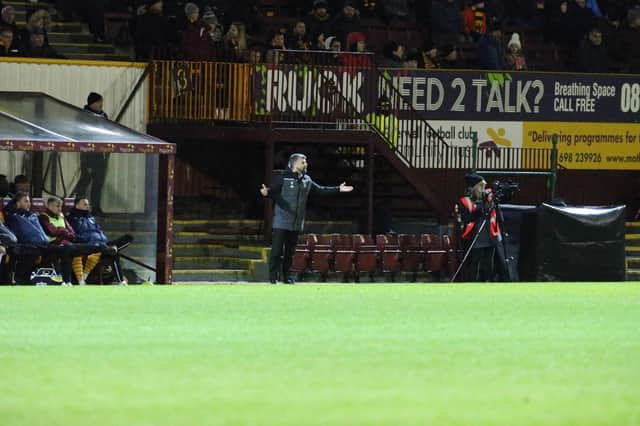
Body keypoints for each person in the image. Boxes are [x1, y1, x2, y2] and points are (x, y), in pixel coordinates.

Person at [259, 154, 354, 284]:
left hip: (297, 223)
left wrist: (338, 189)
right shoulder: (283, 178)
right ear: (294, 164)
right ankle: (273, 277)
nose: (306, 164)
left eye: (306, 162)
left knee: (290, 253)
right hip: (281, 221)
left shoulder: (306, 180)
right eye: (303, 162)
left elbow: (320, 190)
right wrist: (266, 193)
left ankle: (286, 277)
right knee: (276, 251)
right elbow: (272, 192)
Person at [67, 196, 132, 285]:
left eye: (88, 204)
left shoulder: (91, 218)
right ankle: (121, 281)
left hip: (103, 243)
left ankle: (112, 248)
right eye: (85, 204)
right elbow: (74, 235)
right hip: (89, 245)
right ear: (77, 205)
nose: (87, 206)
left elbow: (99, 231)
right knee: (113, 255)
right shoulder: (71, 218)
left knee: (128, 238)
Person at [458, 173, 501, 282]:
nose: (483, 189)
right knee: (474, 263)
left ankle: (486, 282)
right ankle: (471, 283)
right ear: (473, 187)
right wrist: (479, 210)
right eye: (480, 186)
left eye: (484, 186)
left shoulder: (488, 198)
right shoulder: (465, 201)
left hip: (490, 235)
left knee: (489, 263)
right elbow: (465, 219)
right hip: (475, 237)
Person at [74, 92, 109, 215]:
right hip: (87, 153)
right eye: (99, 102)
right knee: (85, 180)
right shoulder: (83, 115)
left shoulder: (103, 115)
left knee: (98, 182)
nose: (101, 104)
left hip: (100, 154)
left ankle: (96, 207)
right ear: (93, 103)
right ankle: (78, 205)